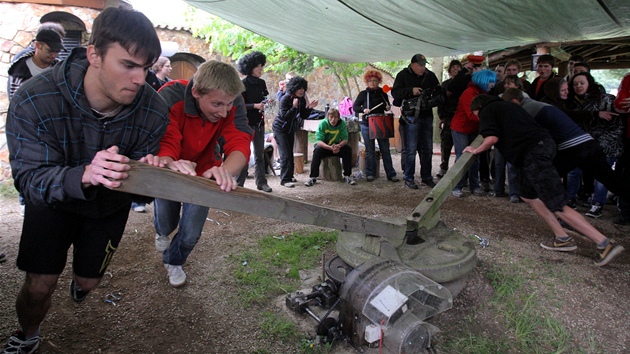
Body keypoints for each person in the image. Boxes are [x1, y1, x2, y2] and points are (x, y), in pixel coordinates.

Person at [3, 7, 169, 352]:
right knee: (39, 286)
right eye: (128, 65)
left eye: (146, 67)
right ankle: (28, 337)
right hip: (52, 203)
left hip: (109, 206)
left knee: (89, 282)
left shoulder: (153, 109)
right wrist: (86, 173)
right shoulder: (34, 98)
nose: (141, 79)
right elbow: (30, 182)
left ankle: (82, 284)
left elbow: (143, 191)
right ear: (93, 54)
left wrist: (152, 171)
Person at [466, 95, 624, 266]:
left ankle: (604, 243)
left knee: (555, 202)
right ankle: (562, 237)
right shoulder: (511, 107)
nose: (478, 119)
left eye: (476, 115)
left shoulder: (488, 109)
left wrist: (476, 150)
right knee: (528, 195)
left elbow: (491, 138)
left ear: (479, 106)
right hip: (544, 147)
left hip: (533, 153)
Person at [152, 61, 252, 288]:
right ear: (196, 92)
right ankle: (162, 231)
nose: (224, 111)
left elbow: (240, 140)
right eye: (217, 104)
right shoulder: (169, 95)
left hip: (204, 173)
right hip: (171, 168)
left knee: (190, 234)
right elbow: (164, 137)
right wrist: (170, 162)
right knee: (166, 221)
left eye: (228, 105)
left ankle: (173, 260)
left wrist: (224, 172)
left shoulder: (232, 100)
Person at [7, 22, 66, 216]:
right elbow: (14, 101)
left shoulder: (59, 69)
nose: (54, 55)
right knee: (26, 164)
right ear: (38, 45)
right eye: (50, 50)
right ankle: (26, 200)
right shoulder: (19, 69)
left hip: (53, 129)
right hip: (26, 128)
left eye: (57, 51)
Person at [567, 72, 622, 218]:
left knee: (601, 176)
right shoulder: (574, 102)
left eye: (582, 83)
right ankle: (570, 199)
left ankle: (597, 205)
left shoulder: (607, 99)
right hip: (584, 144)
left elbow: (617, 125)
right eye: (575, 84)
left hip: (606, 145)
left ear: (589, 83)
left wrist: (599, 143)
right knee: (573, 170)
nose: (578, 86)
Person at [392, 53, 440, 189]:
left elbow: (438, 92)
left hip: (426, 115)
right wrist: (410, 91)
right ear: (412, 65)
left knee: (428, 149)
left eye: (424, 65)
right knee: (411, 149)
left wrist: (430, 99)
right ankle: (408, 178)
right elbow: (395, 93)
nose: (422, 68)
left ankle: (427, 177)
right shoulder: (402, 75)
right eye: (420, 65)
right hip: (411, 117)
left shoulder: (430, 76)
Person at [450, 69, 497, 198]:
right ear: (483, 81)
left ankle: (474, 185)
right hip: (461, 129)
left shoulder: (483, 93)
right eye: (490, 82)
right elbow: (471, 115)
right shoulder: (469, 93)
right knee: (462, 157)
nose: (492, 85)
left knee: (475, 157)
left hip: (475, 129)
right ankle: (457, 186)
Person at [235, 51, 273, 192]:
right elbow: (239, 105)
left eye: (262, 66)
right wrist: (254, 106)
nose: (261, 69)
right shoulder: (242, 84)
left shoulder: (262, 83)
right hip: (245, 123)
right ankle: (239, 184)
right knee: (244, 155)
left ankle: (261, 183)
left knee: (259, 155)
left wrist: (267, 102)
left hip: (259, 123)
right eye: (259, 66)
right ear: (250, 67)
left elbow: (264, 99)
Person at [353, 70, 398, 182]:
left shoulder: (383, 94)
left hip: (381, 123)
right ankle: (370, 174)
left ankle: (391, 174)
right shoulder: (363, 94)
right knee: (370, 150)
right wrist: (364, 109)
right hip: (367, 124)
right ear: (367, 82)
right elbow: (355, 107)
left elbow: (386, 106)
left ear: (378, 81)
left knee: (385, 149)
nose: (372, 83)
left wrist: (387, 108)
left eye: (375, 80)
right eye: (370, 81)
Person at [272, 76, 317, 188]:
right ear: (294, 88)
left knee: (290, 153)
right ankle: (285, 179)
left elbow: (302, 115)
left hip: (290, 129)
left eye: (303, 88)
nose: (302, 90)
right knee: (285, 154)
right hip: (280, 129)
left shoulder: (301, 99)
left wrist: (310, 108)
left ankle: (290, 176)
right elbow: (285, 116)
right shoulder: (285, 99)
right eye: (299, 88)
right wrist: (293, 107)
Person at [304, 108, 356, 186]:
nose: (333, 119)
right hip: (325, 146)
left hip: (336, 146)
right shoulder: (323, 124)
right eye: (331, 117)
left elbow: (345, 139)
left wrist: (338, 146)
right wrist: (329, 147)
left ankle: (347, 175)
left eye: (335, 117)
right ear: (327, 117)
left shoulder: (342, 124)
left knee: (347, 150)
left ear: (338, 118)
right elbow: (319, 141)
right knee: (317, 150)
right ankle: (313, 177)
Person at [436, 59, 462, 178]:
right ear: (450, 69)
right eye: (453, 67)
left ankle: (459, 170)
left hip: (461, 117)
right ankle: (443, 167)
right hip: (448, 117)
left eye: (458, 67)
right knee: (446, 143)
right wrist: (441, 117)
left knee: (461, 145)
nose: (455, 69)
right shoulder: (445, 84)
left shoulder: (464, 84)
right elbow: (441, 101)